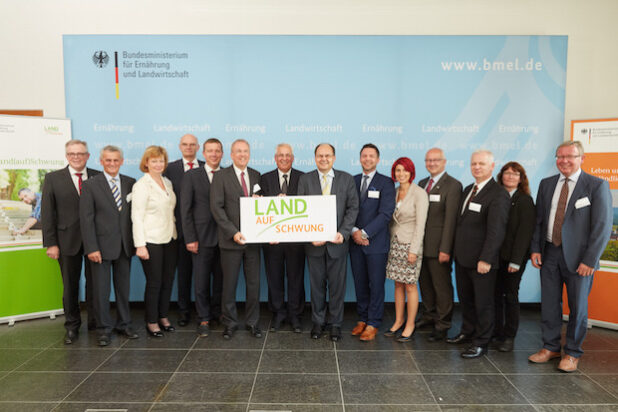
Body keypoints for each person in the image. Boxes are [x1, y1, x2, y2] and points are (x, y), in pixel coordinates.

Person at [529, 140, 612, 372]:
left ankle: (573, 353)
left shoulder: (596, 185)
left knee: (578, 307)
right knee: (549, 304)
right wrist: (535, 248)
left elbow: (602, 227)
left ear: (582, 159)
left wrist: (590, 260)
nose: (564, 160)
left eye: (570, 156)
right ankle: (550, 347)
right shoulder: (546, 184)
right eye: (560, 156)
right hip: (549, 253)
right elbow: (539, 220)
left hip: (579, 259)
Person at [448, 149, 509, 358]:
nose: (477, 167)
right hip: (463, 258)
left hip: (482, 261)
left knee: (484, 303)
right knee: (466, 300)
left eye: (482, 164)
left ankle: (482, 342)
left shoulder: (498, 193)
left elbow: (496, 231)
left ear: (492, 166)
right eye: (474, 163)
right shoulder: (468, 189)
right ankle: (468, 332)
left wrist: (486, 258)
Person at [41, 139, 100, 344]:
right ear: (67, 156)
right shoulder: (53, 178)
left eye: (81, 153)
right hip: (66, 241)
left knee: (96, 285)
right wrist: (51, 243)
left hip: (95, 242)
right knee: (70, 286)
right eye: (72, 153)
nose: (76, 157)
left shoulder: (98, 176)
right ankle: (72, 326)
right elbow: (47, 214)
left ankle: (95, 322)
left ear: (87, 156)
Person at [298, 143, 359, 342]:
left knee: (337, 286)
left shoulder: (346, 179)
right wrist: (309, 235)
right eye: (320, 155)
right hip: (313, 244)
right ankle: (318, 322)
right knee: (316, 286)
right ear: (314, 158)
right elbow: (300, 210)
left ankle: (335, 324)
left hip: (337, 244)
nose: (323, 159)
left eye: (327, 155)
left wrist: (343, 233)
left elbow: (352, 208)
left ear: (334, 157)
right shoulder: (305, 179)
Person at [80, 145, 137, 346]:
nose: (112, 163)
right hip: (100, 248)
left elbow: (133, 216)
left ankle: (124, 324)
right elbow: (86, 220)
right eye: (108, 160)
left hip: (124, 246)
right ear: (101, 161)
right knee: (101, 290)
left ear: (121, 161)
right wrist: (91, 247)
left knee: (123, 289)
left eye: (115, 160)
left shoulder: (131, 183)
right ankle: (103, 329)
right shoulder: (90, 185)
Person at [210, 139, 263, 339]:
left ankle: (252, 322)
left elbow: (264, 209)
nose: (242, 154)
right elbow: (217, 208)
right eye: (238, 151)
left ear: (249, 154)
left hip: (253, 242)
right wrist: (233, 232)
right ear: (231, 155)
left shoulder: (256, 175)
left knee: (253, 284)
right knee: (229, 285)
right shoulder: (221, 176)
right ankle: (230, 323)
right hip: (230, 241)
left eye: (245, 151)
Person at [349, 143, 395, 341]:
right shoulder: (353, 180)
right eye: (364, 156)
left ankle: (374, 322)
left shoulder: (386, 182)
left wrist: (365, 233)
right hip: (354, 242)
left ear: (377, 159)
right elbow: (346, 209)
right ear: (360, 159)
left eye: (371, 156)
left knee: (376, 284)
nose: (367, 159)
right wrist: (354, 232)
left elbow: (385, 214)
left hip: (376, 244)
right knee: (359, 283)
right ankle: (363, 318)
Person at [416, 148, 462, 342]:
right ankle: (429, 316)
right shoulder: (421, 184)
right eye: (428, 160)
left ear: (444, 162)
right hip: (421, 246)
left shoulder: (453, 185)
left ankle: (443, 324)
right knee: (425, 285)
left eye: (436, 160)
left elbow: (451, 220)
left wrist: (445, 249)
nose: (432, 163)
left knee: (441, 287)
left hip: (439, 248)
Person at [260, 143, 306, 333]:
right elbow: (259, 208)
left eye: (288, 155)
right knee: (274, 278)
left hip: (296, 241)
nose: (284, 158)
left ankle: (295, 314)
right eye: (281, 155)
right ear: (275, 157)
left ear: (293, 158)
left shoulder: (303, 177)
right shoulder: (264, 179)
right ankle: (278, 313)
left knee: (296, 278)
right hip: (272, 242)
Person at [132, 146, 178, 337]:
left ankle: (163, 316)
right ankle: (151, 321)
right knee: (154, 282)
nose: (158, 164)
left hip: (170, 237)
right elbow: (137, 216)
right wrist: (140, 244)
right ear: (146, 163)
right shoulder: (142, 185)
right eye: (154, 161)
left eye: (161, 161)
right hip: (150, 240)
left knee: (168, 281)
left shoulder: (167, 182)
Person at [180, 138, 224, 337]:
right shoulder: (191, 175)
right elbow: (185, 209)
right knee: (201, 280)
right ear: (203, 153)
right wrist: (190, 238)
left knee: (221, 280)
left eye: (217, 151)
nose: (214, 154)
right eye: (210, 151)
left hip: (224, 237)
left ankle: (217, 313)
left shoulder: (227, 174)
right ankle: (203, 318)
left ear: (222, 154)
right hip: (200, 237)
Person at [384, 157, 428, 342]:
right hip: (394, 244)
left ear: (411, 172)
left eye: (405, 170)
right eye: (398, 170)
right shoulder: (393, 192)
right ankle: (398, 320)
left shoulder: (419, 193)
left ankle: (410, 325)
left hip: (410, 245)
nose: (401, 174)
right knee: (398, 284)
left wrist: (414, 250)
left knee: (410, 285)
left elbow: (420, 225)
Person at [493, 162, 535, 352]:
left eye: (515, 174)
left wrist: (516, 261)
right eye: (507, 173)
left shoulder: (525, 200)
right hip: (495, 256)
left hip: (513, 259)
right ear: (501, 176)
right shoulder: (495, 196)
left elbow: (524, 234)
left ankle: (509, 336)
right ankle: (497, 332)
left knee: (510, 296)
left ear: (521, 178)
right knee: (495, 296)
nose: (510, 177)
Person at [164, 134, 204, 326]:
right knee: (184, 274)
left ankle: (205, 312)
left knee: (205, 275)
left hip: (207, 232)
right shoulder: (169, 169)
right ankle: (184, 311)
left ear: (198, 147)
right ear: (180, 146)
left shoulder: (208, 166)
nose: (189, 147)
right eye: (185, 144)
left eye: (192, 145)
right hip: (181, 231)